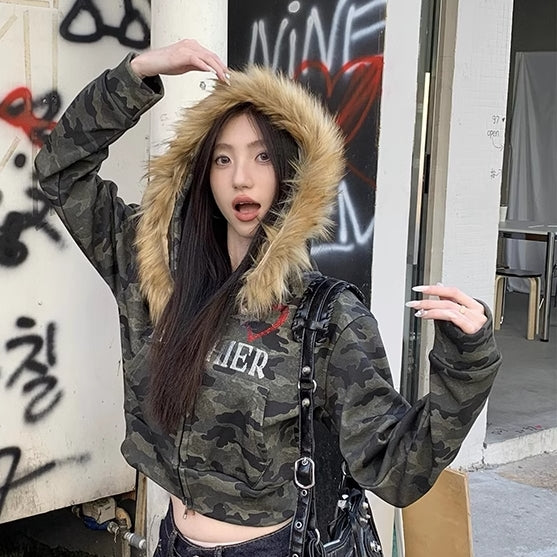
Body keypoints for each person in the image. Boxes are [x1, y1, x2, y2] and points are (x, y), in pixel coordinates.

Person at [35, 39, 501, 557]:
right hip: (172, 541)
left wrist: (467, 364)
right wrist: (139, 72)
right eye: (222, 159)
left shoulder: (324, 318)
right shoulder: (152, 270)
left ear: (293, 171)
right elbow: (60, 170)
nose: (241, 177)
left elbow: (396, 467)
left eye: (261, 156)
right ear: (200, 174)